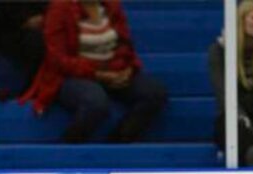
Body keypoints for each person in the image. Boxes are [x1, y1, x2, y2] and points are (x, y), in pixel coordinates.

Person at [19, 0, 168, 143]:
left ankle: (119, 144)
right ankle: (68, 150)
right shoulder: (60, 8)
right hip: (72, 75)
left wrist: (128, 69)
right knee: (96, 103)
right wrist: (97, 74)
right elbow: (58, 60)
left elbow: (125, 43)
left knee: (154, 93)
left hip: (112, 69)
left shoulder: (112, 5)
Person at [208, 0, 253, 165]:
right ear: (241, 20)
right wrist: (244, 120)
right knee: (235, 127)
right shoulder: (218, 51)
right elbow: (223, 94)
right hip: (231, 117)